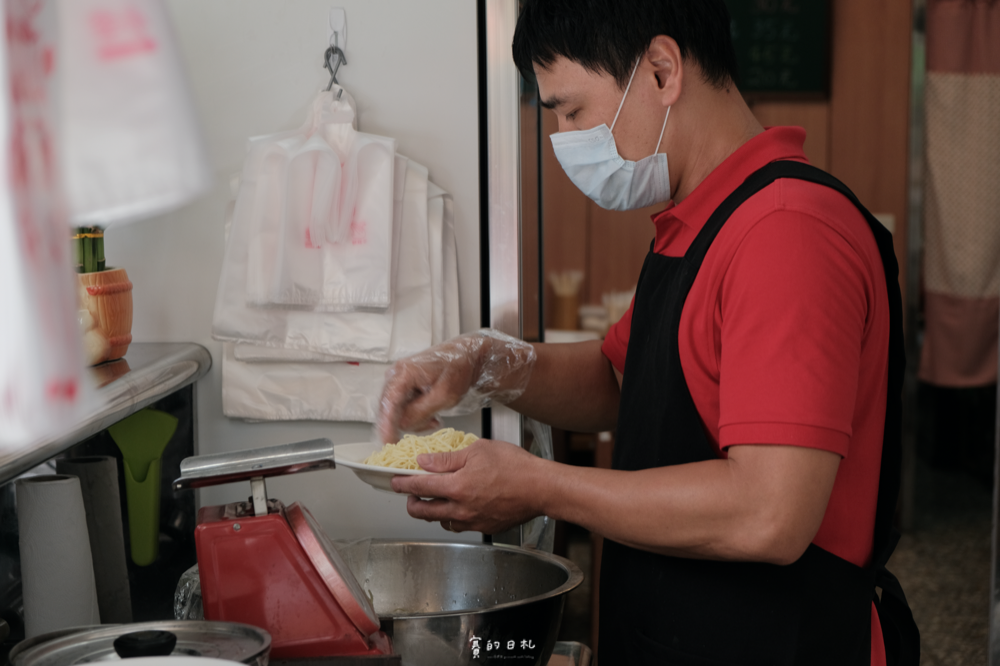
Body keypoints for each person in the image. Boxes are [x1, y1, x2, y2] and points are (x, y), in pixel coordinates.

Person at [376, 1, 919, 664]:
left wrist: (541, 485)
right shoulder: (702, 218)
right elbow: (623, 381)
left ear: (663, 71)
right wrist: (487, 362)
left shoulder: (786, 232)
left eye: (572, 111)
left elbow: (769, 512)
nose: (566, 139)